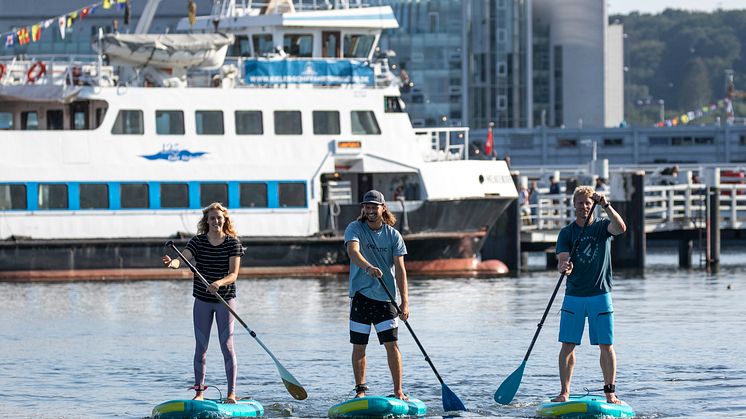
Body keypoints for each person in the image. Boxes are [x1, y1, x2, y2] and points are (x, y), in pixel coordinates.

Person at [162, 202, 244, 403]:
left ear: (224, 220)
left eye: (219, 218)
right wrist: (172, 264)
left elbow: (234, 274)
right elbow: (183, 259)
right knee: (201, 347)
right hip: (202, 300)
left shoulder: (233, 243)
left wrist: (218, 282)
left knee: (227, 345)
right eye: (212, 218)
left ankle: (231, 394)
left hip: (225, 300)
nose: (216, 221)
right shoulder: (197, 242)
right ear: (206, 221)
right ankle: (199, 393)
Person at [553, 186, 627, 405]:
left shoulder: (603, 227)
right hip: (574, 295)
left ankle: (610, 393)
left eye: (587, 203)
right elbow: (562, 261)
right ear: (574, 205)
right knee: (568, 345)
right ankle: (564, 392)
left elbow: (621, 228)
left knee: (606, 345)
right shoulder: (567, 233)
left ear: (592, 204)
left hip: (600, 294)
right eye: (580, 203)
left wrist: (605, 204)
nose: (584, 207)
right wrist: (565, 267)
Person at [344, 190, 409, 400]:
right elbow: (353, 252)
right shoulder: (355, 228)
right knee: (359, 346)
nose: (371, 211)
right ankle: (360, 391)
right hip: (361, 297)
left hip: (386, 298)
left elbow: (400, 270)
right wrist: (368, 267)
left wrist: (405, 303)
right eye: (367, 207)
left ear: (383, 208)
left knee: (392, 345)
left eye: (374, 207)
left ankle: (398, 391)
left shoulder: (393, 235)